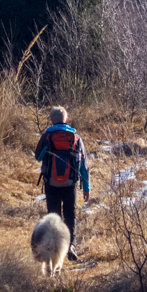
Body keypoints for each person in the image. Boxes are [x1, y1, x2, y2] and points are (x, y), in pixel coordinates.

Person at [34, 106, 90, 261]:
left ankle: (54, 249)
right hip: (70, 183)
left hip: (51, 183)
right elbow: (84, 165)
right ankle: (70, 246)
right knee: (70, 215)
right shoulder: (75, 137)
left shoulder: (47, 136)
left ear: (52, 120)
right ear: (66, 119)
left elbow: (38, 157)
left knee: (54, 217)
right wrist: (87, 188)